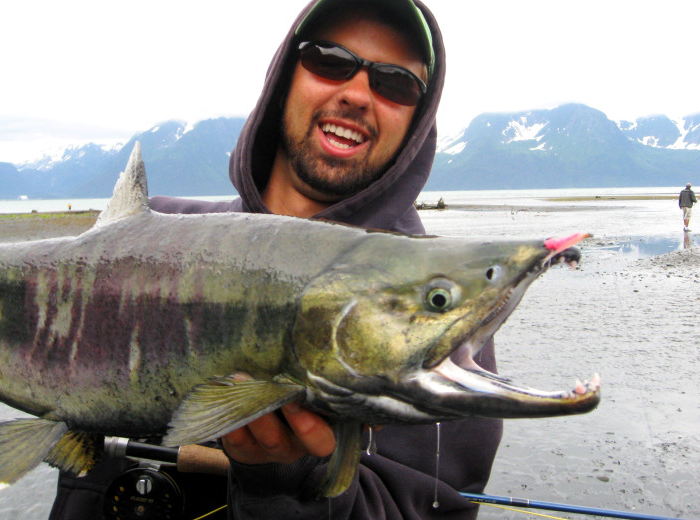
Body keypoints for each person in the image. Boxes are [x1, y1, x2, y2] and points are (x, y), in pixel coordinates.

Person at [48, 1, 502, 518]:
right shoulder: (148, 235)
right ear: (285, 75)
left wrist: (287, 482)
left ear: (418, 122)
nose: (356, 94)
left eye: (396, 83)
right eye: (330, 60)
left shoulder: (440, 331)